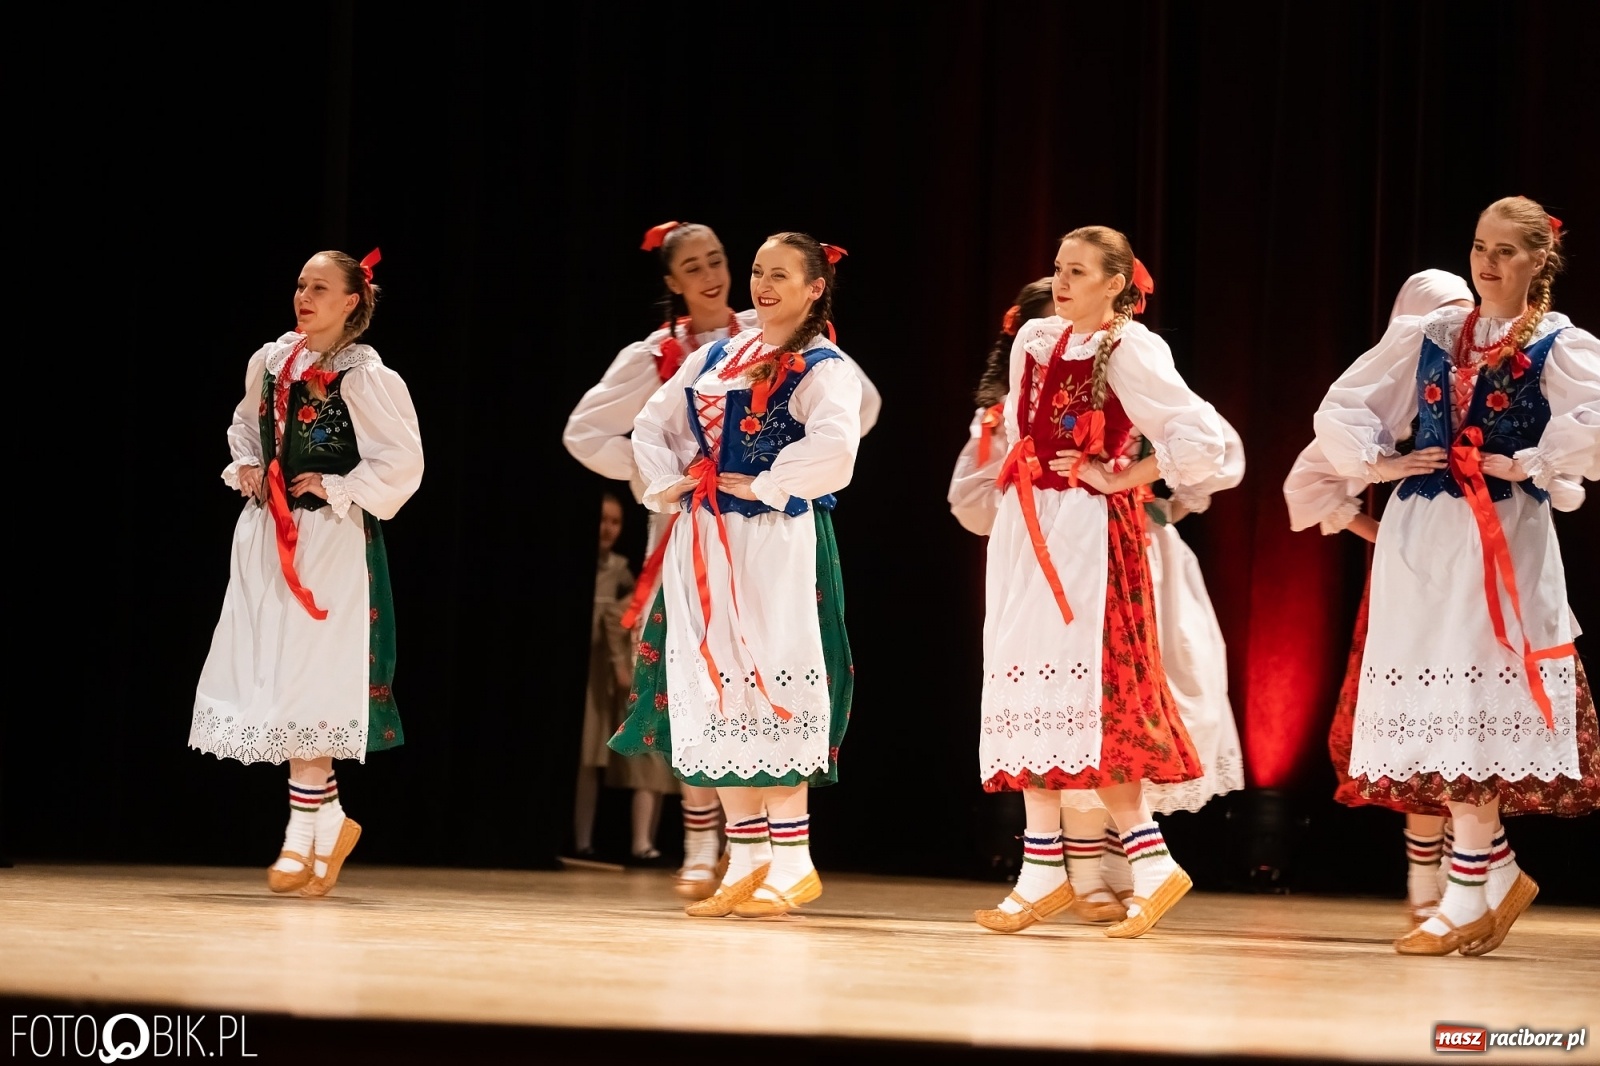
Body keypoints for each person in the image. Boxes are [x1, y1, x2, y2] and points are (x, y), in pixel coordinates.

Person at [1310, 197, 1599, 956]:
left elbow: (1594, 420)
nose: (1488, 263)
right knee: (1441, 702)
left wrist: (1535, 460)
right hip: (1426, 534)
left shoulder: (1558, 344)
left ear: (1540, 260)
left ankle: (1473, 889)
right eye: (1479, 247)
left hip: (1501, 533)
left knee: (1475, 700)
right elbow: (1344, 407)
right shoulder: (1432, 335)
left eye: (1507, 250)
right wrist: (1379, 464)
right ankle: (1483, 879)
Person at [563, 221, 879, 899]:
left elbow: (836, 445)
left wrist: (767, 482)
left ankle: (792, 860)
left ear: (814, 289)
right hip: (705, 539)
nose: (761, 285)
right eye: (759, 272)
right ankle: (744, 857)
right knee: (715, 684)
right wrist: (669, 481)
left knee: (775, 681)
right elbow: (654, 424)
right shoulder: (716, 358)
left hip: (776, 541)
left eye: (779, 275)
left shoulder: (824, 366)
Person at [952, 276, 1244, 926]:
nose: (1062, 284)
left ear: (1114, 285)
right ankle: (1044, 870)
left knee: (1095, 699)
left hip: (1100, 540)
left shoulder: (1130, 351)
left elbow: (1211, 448)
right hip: (1031, 540)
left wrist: (1126, 480)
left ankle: (1132, 861)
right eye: (1059, 269)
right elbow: (969, 496)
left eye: (1077, 271)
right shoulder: (1031, 349)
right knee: (1029, 693)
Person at [191, 248, 424, 898]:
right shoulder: (270, 360)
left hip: (329, 540)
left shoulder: (363, 374)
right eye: (300, 284)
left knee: (312, 674)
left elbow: (404, 461)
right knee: (277, 670)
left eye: (321, 287)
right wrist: (244, 467)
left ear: (352, 300)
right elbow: (245, 426)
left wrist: (337, 484)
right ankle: (327, 821)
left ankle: (303, 833)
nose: (305, 295)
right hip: (269, 534)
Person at [571, 493, 676, 862]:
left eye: (615, 522)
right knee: (585, 759)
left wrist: (621, 665)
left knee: (599, 756)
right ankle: (580, 840)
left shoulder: (621, 569)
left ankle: (595, 841)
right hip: (593, 667)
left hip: (607, 674)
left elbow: (627, 616)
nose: (608, 528)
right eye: (603, 520)